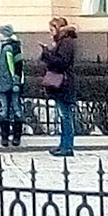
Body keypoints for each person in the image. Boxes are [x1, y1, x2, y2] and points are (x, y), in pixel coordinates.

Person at [40, 16, 77, 157]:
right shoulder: (62, 42)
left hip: (64, 83)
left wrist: (47, 54)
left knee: (65, 115)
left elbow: (62, 62)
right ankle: (63, 144)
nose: (50, 33)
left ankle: (67, 146)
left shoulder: (66, 42)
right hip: (61, 83)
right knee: (63, 115)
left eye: (51, 30)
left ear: (58, 28)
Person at [0, 25, 24, 147]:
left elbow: (18, 66)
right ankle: (7, 136)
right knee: (6, 109)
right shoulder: (2, 47)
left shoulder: (10, 47)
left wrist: (16, 81)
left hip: (10, 82)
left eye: (0, 33)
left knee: (13, 108)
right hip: (2, 82)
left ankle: (13, 136)